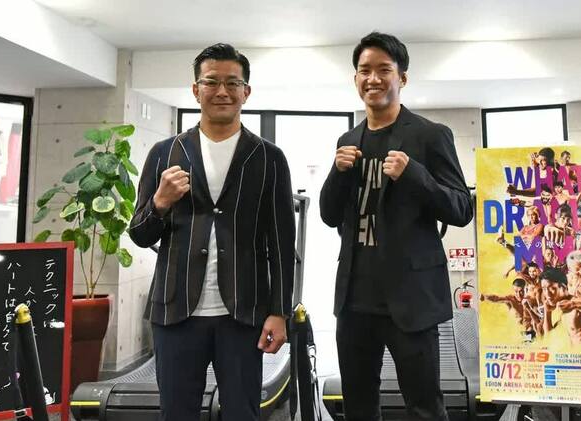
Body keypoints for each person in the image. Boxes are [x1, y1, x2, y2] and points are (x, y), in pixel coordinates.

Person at [129, 43, 295, 421]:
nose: (222, 91)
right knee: (176, 413)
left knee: (242, 413)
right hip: (175, 311)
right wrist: (159, 202)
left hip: (244, 313)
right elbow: (139, 234)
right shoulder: (164, 153)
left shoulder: (269, 157)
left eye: (232, 83)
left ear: (246, 92)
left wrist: (279, 312)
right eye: (211, 82)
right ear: (196, 90)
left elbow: (282, 243)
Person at [320, 32, 472, 421]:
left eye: (383, 70)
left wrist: (414, 175)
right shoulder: (348, 139)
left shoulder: (429, 135)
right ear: (355, 79)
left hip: (412, 300)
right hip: (355, 300)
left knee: (424, 407)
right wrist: (337, 174)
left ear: (401, 78)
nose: (373, 78)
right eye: (364, 70)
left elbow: (460, 208)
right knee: (358, 407)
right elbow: (329, 215)